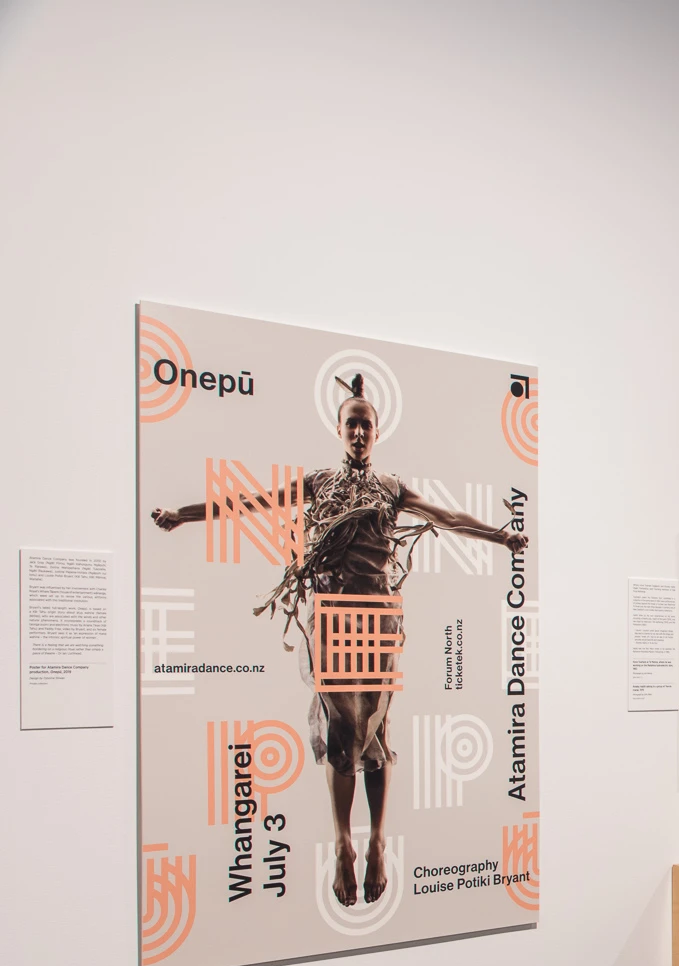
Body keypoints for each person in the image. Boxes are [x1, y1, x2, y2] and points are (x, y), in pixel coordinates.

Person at [150, 374, 526, 908]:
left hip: (378, 617)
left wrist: (501, 534)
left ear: (377, 431)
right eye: (351, 422)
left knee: (376, 726)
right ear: (339, 428)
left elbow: (446, 516)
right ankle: (343, 840)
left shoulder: (391, 489)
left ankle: (376, 841)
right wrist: (184, 515)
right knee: (343, 726)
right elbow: (250, 501)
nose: (358, 431)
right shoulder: (320, 481)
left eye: (366, 424)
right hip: (330, 618)